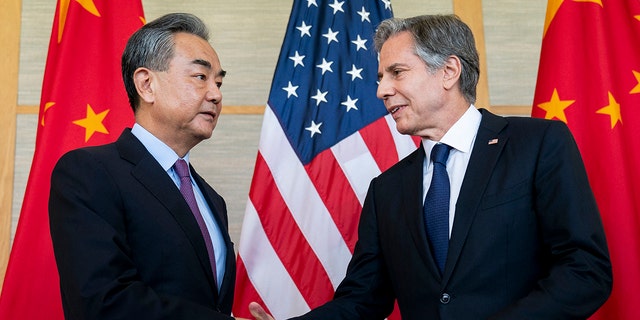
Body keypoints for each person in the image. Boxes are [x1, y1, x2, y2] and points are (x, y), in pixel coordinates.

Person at [248, 14, 612, 319]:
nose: (381, 91)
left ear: (449, 71)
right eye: (380, 78)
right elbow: (362, 300)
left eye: (397, 73)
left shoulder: (537, 143)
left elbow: (585, 269)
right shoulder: (386, 189)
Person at [49, 13, 248, 319]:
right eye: (200, 77)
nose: (216, 94)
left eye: (219, 82)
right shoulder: (89, 173)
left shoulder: (212, 200)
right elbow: (102, 302)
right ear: (146, 84)